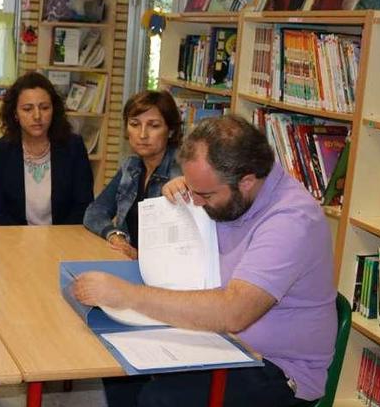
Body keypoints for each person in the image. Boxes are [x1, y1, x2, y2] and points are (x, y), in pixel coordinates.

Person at [73, 115, 336, 407]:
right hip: (219, 341)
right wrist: (188, 188)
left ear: (246, 181)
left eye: (205, 194)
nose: (196, 202)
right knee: (121, 372)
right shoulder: (235, 190)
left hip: (278, 367)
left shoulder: (292, 221)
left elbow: (234, 312)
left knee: (160, 399)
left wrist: (128, 295)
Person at [82, 90, 182, 259]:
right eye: (135, 124)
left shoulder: (180, 173)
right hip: (129, 262)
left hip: (164, 271)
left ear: (170, 130)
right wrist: (115, 236)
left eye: (154, 126)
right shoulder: (131, 166)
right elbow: (95, 211)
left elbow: (178, 242)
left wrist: (141, 257)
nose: (142, 135)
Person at [0, 72, 93, 225]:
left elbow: (84, 205)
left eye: (44, 108)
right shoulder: (0, 151)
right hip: (15, 241)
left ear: (53, 110)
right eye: (27, 109)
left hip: (63, 240)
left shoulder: (73, 147)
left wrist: (56, 241)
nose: (37, 116)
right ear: (15, 113)